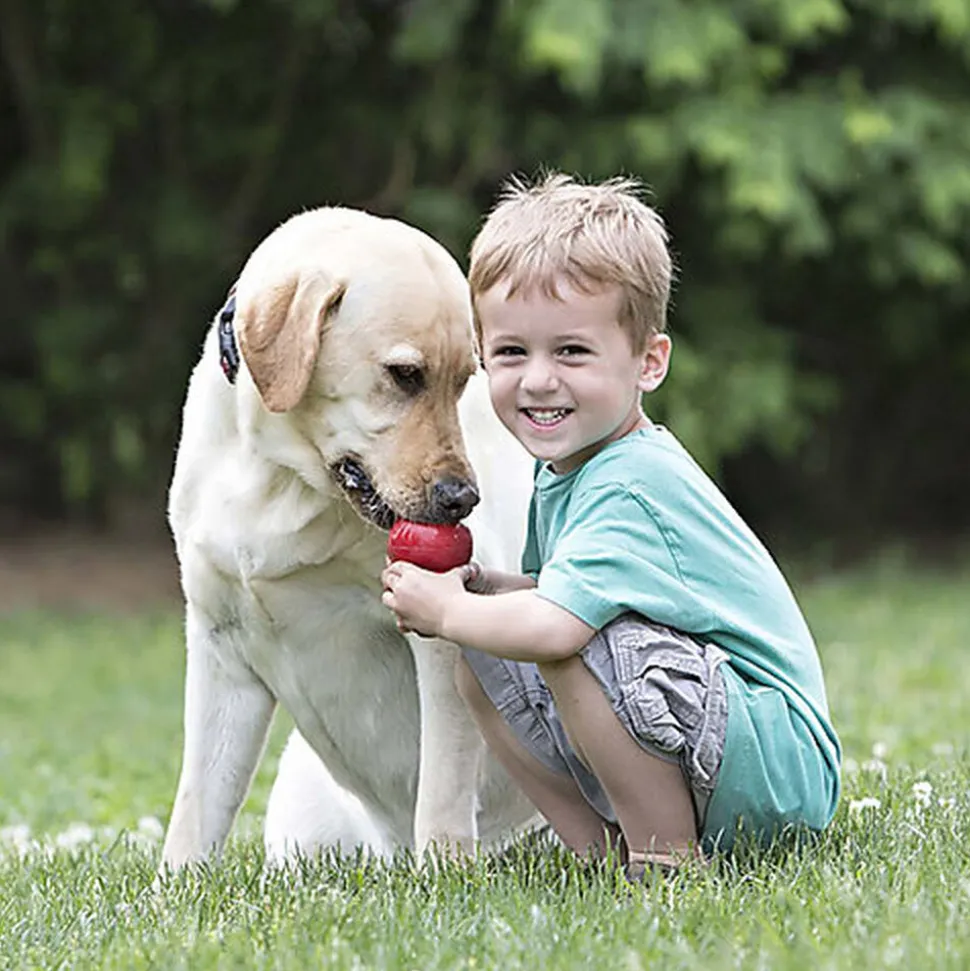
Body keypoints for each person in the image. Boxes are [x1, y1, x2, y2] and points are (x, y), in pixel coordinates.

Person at [381, 172, 841, 879]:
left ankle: (664, 860)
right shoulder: (567, 466)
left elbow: (562, 625)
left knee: (563, 640)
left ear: (647, 362)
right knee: (481, 652)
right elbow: (562, 591)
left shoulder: (630, 480)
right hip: (714, 739)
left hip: (774, 765)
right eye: (511, 352)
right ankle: (602, 850)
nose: (537, 379)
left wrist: (448, 607)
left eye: (571, 351)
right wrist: (491, 589)